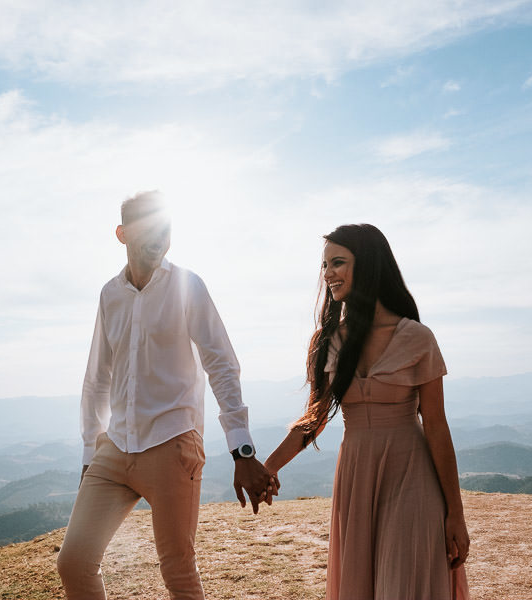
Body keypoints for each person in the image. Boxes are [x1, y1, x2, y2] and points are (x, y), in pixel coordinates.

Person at [57, 191, 277, 600]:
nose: (159, 236)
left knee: (178, 573)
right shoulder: (109, 294)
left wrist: (242, 451)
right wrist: (90, 454)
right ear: (122, 233)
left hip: (172, 444)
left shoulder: (187, 286)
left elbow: (222, 365)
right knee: (73, 563)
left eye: (165, 227)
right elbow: (96, 380)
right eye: (147, 227)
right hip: (115, 446)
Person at [263, 223, 470, 600]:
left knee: (405, 586)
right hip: (357, 477)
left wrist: (455, 514)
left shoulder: (418, 338)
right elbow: (315, 418)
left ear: (370, 265)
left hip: (412, 475)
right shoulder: (330, 340)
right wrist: (269, 467)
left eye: (338, 262)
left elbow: (437, 428)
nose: (328, 274)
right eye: (324, 266)